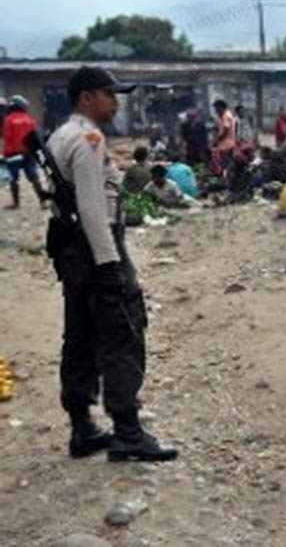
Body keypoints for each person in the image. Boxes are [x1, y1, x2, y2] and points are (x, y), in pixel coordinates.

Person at [46, 66, 178, 462]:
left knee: (81, 335)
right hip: (96, 249)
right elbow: (91, 209)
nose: (115, 101)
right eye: (109, 94)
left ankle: (82, 425)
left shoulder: (59, 134)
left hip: (71, 252)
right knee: (122, 333)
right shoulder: (87, 138)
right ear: (87, 97)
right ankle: (127, 432)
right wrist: (110, 265)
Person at [3, 95, 45, 209]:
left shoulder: (9, 119)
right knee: (34, 177)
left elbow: (7, 137)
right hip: (29, 153)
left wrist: (5, 154)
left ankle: (16, 203)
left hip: (13, 154)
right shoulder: (29, 119)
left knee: (14, 179)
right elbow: (34, 138)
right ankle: (43, 201)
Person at [212, 99, 237, 168]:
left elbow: (225, 130)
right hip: (228, 144)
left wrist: (216, 140)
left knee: (225, 164)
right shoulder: (226, 115)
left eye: (216, 109)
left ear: (221, 107)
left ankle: (227, 176)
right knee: (227, 163)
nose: (216, 111)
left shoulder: (225, 116)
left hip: (226, 145)